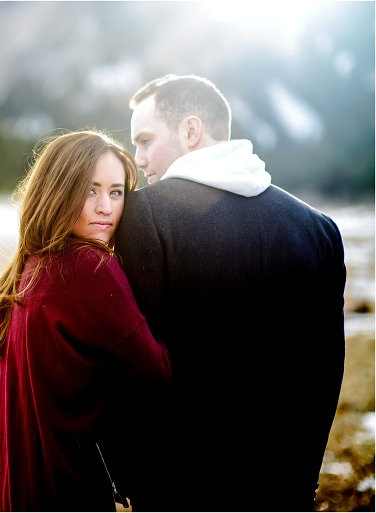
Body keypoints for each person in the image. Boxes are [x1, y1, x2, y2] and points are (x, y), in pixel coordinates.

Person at [115, 74, 346, 511]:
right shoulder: (317, 229)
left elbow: (133, 363)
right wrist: (304, 477)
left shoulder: (145, 215)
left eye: (145, 140)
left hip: (178, 491)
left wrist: (132, 480)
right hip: (285, 487)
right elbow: (326, 368)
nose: (138, 159)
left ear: (190, 131)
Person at [0, 130, 172, 511]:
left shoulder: (33, 264)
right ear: (58, 192)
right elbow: (157, 372)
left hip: (12, 487)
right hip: (60, 488)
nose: (105, 207)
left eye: (116, 192)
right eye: (90, 190)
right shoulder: (88, 267)